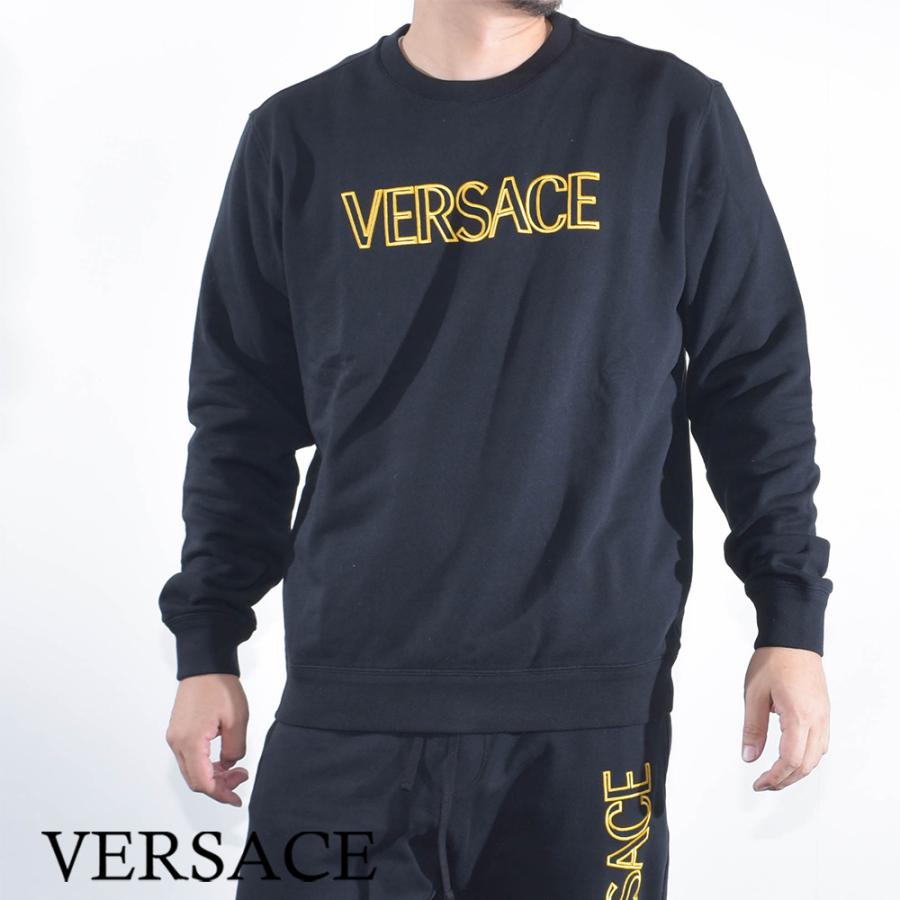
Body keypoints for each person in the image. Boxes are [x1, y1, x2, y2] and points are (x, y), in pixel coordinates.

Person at [159, 1, 834, 896]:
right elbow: (241, 414)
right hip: (350, 699)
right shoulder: (299, 135)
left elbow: (755, 379)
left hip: (589, 713)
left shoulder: (666, 113)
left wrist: (789, 619)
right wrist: (208, 639)